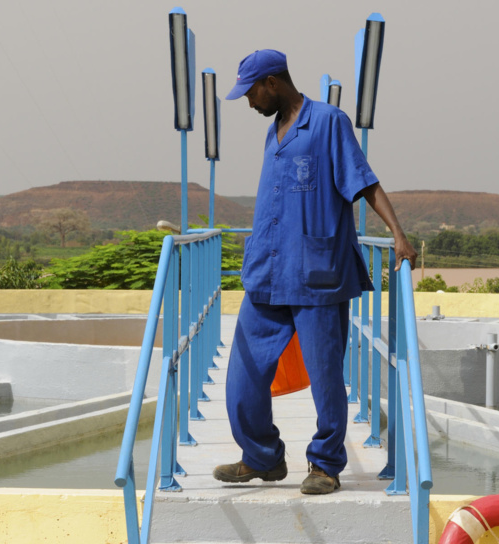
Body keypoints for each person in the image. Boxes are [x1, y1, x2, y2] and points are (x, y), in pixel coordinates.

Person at [212, 49, 417, 495]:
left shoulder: (328, 122)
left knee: (326, 378)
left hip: (317, 273)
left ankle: (325, 464)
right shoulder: (274, 131)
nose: (249, 103)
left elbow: (363, 181)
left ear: (270, 82)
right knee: (242, 377)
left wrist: (398, 234)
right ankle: (262, 457)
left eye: (250, 93)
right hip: (266, 273)